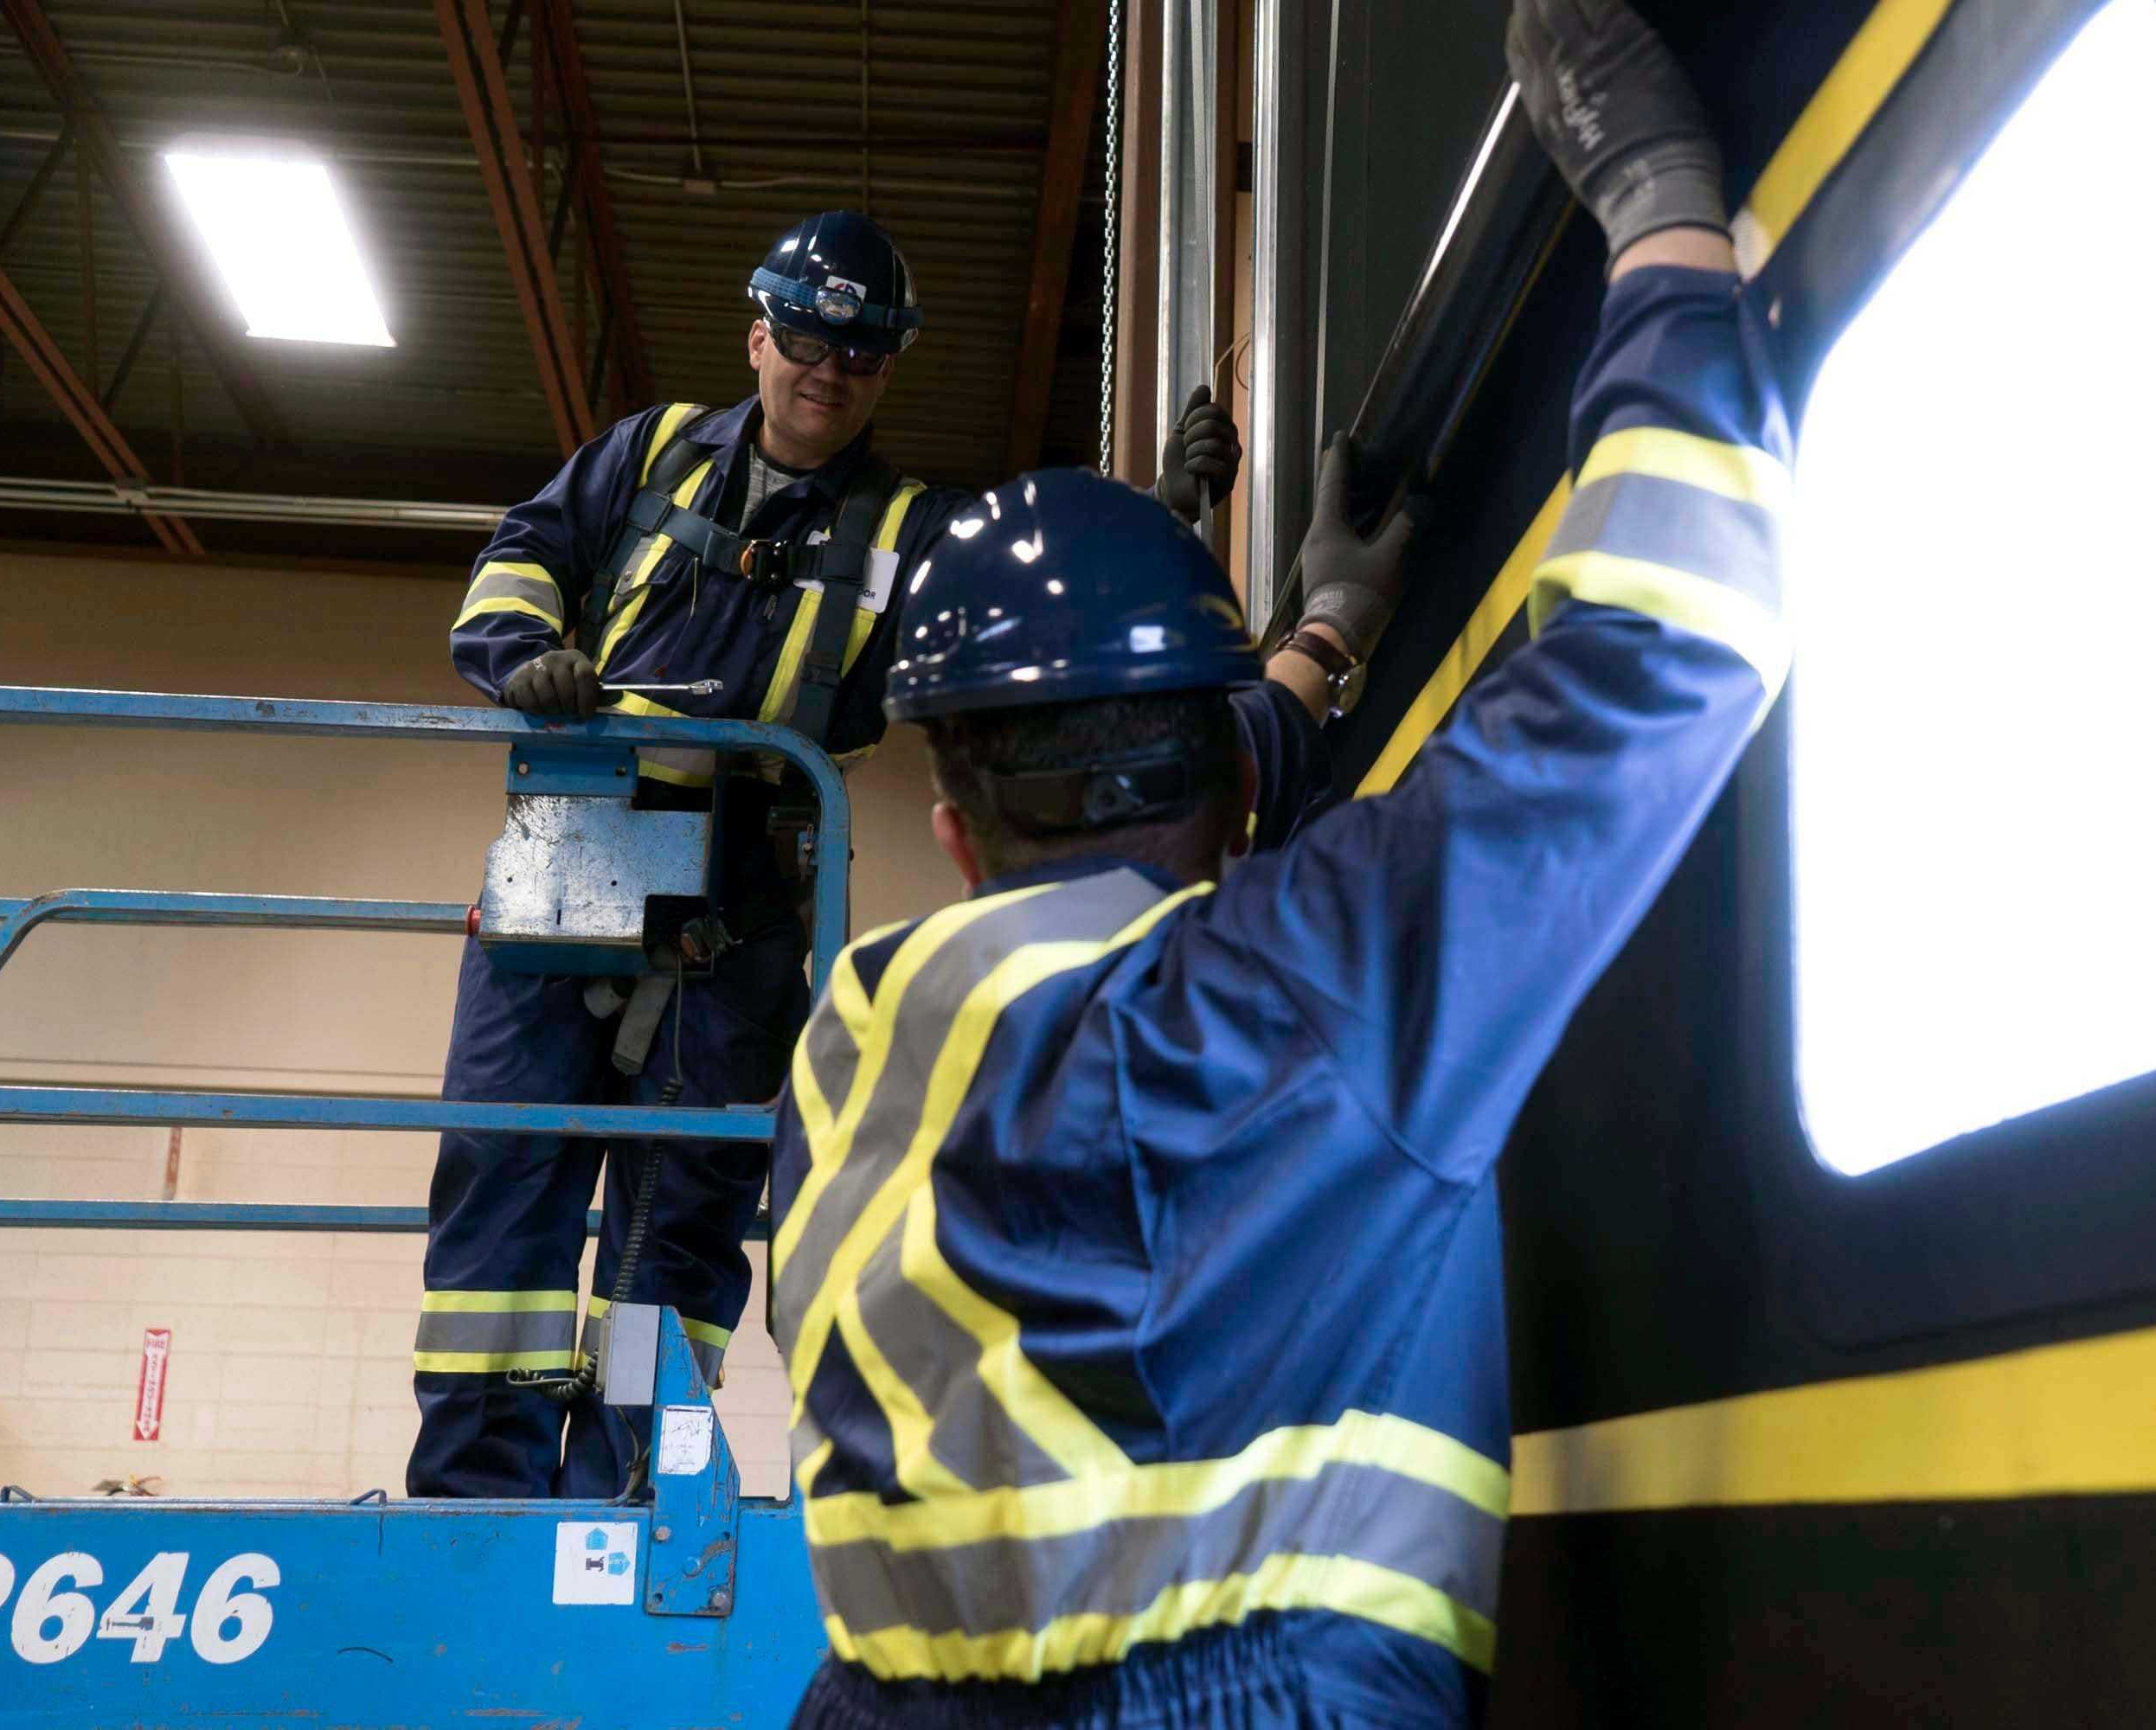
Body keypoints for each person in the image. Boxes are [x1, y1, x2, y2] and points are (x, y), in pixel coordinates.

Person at [766, 1, 1791, 1720]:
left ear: (951, 827)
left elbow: (1144, 820)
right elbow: (1669, 645)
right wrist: (1668, 208)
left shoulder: (848, 1062)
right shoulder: (1274, 997)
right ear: (1230, 797)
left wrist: (1320, 636)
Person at [408, 208, 1246, 1500]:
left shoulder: (911, 528)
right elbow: (523, 553)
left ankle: (614, 1490)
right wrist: (525, 658)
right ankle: (475, 1495)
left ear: (886, 369)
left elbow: (1027, 594)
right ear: (759, 336)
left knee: (682, 1211)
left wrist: (1159, 519)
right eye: (805, 336)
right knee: (507, 1166)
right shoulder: (652, 455)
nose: (827, 368)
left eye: (858, 351)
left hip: (744, 883)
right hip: (577, 839)